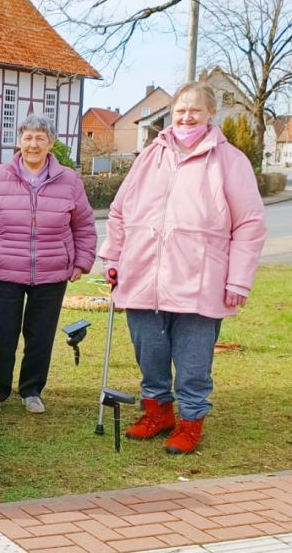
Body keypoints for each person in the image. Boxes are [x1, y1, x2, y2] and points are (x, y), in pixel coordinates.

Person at [99, 82, 265, 454]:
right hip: (143, 275)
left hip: (200, 279)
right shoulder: (150, 157)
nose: (186, 117)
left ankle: (190, 420)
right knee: (150, 354)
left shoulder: (230, 160)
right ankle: (158, 412)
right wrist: (113, 258)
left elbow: (250, 224)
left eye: (195, 110)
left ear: (210, 114)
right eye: (180, 110)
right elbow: (120, 211)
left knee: (192, 361)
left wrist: (239, 279)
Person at [0, 114, 96, 415]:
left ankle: (31, 390)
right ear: (18, 141)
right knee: (1, 334)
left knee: (40, 335)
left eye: (40, 138)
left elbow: (84, 224)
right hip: (3, 268)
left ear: (51, 143)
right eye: (27, 137)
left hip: (52, 271)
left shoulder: (69, 180)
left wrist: (81, 260)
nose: (33, 144)